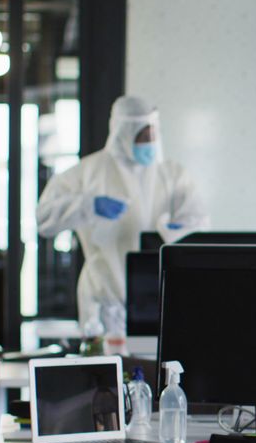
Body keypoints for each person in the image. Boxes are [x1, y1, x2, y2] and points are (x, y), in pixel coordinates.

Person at [37, 96, 208, 327]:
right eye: (142, 136)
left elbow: (198, 222)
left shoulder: (172, 175)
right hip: (104, 303)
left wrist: (178, 230)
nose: (150, 142)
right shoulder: (88, 173)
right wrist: (88, 205)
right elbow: (44, 218)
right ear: (123, 133)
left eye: (153, 134)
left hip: (158, 301)